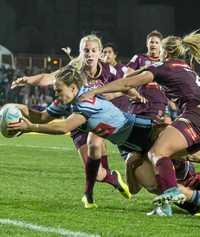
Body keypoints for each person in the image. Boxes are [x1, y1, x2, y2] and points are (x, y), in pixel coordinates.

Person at [79, 27, 200, 216]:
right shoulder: (184, 67)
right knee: (187, 156)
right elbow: (135, 77)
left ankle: (177, 195)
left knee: (157, 154)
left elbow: (126, 83)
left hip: (190, 118)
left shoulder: (163, 68)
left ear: (164, 52)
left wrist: (93, 92)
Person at [10, 34, 132, 203]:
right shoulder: (73, 70)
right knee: (96, 172)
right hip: (78, 120)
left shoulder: (109, 70)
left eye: (93, 50)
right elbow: (50, 77)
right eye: (85, 50)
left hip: (97, 116)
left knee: (95, 144)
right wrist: (28, 80)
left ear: (99, 52)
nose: (89, 54)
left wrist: (122, 92)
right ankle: (100, 185)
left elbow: (127, 81)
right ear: (81, 52)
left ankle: (91, 192)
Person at [126, 30, 169, 121]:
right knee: (135, 130)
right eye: (151, 42)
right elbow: (127, 77)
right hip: (139, 101)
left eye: (157, 42)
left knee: (153, 130)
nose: (153, 44)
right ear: (147, 44)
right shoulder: (138, 58)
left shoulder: (165, 62)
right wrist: (143, 69)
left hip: (157, 102)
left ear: (161, 46)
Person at [102, 43, 130, 112]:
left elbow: (130, 87)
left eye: (109, 52)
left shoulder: (124, 69)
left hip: (121, 106)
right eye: (104, 52)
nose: (107, 55)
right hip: (107, 107)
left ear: (115, 55)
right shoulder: (101, 70)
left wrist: (113, 95)